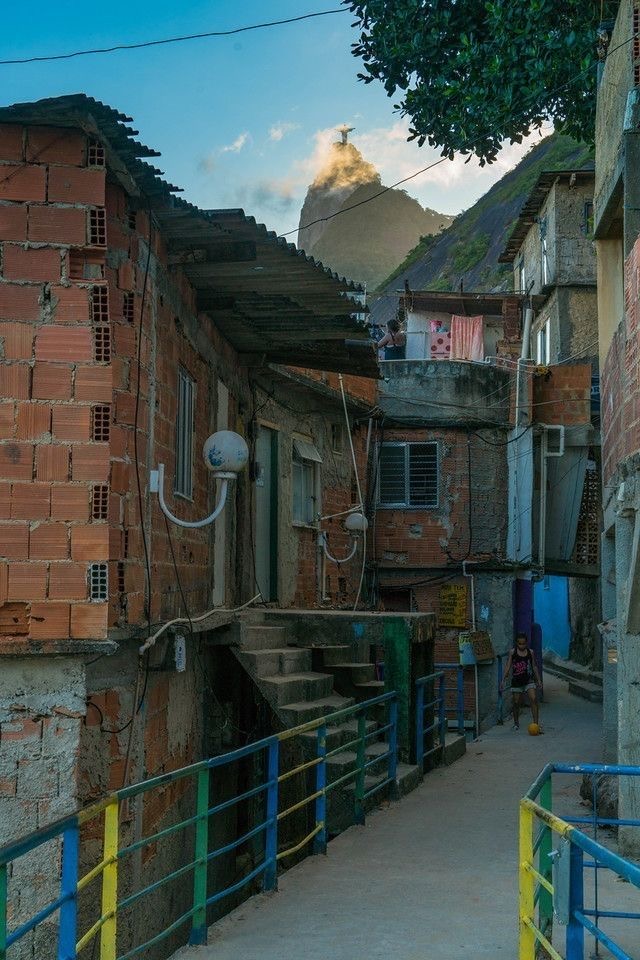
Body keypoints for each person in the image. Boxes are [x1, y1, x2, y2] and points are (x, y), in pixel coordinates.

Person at [500, 632, 542, 731]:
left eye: (523, 644)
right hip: (517, 681)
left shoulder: (530, 652)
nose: (522, 646)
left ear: (526, 643)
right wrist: (503, 680)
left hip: (529, 680)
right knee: (516, 702)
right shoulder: (512, 652)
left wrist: (539, 680)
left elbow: (534, 666)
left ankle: (536, 724)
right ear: (516, 643)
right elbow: (508, 666)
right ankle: (516, 723)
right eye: (520, 644)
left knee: (533, 698)